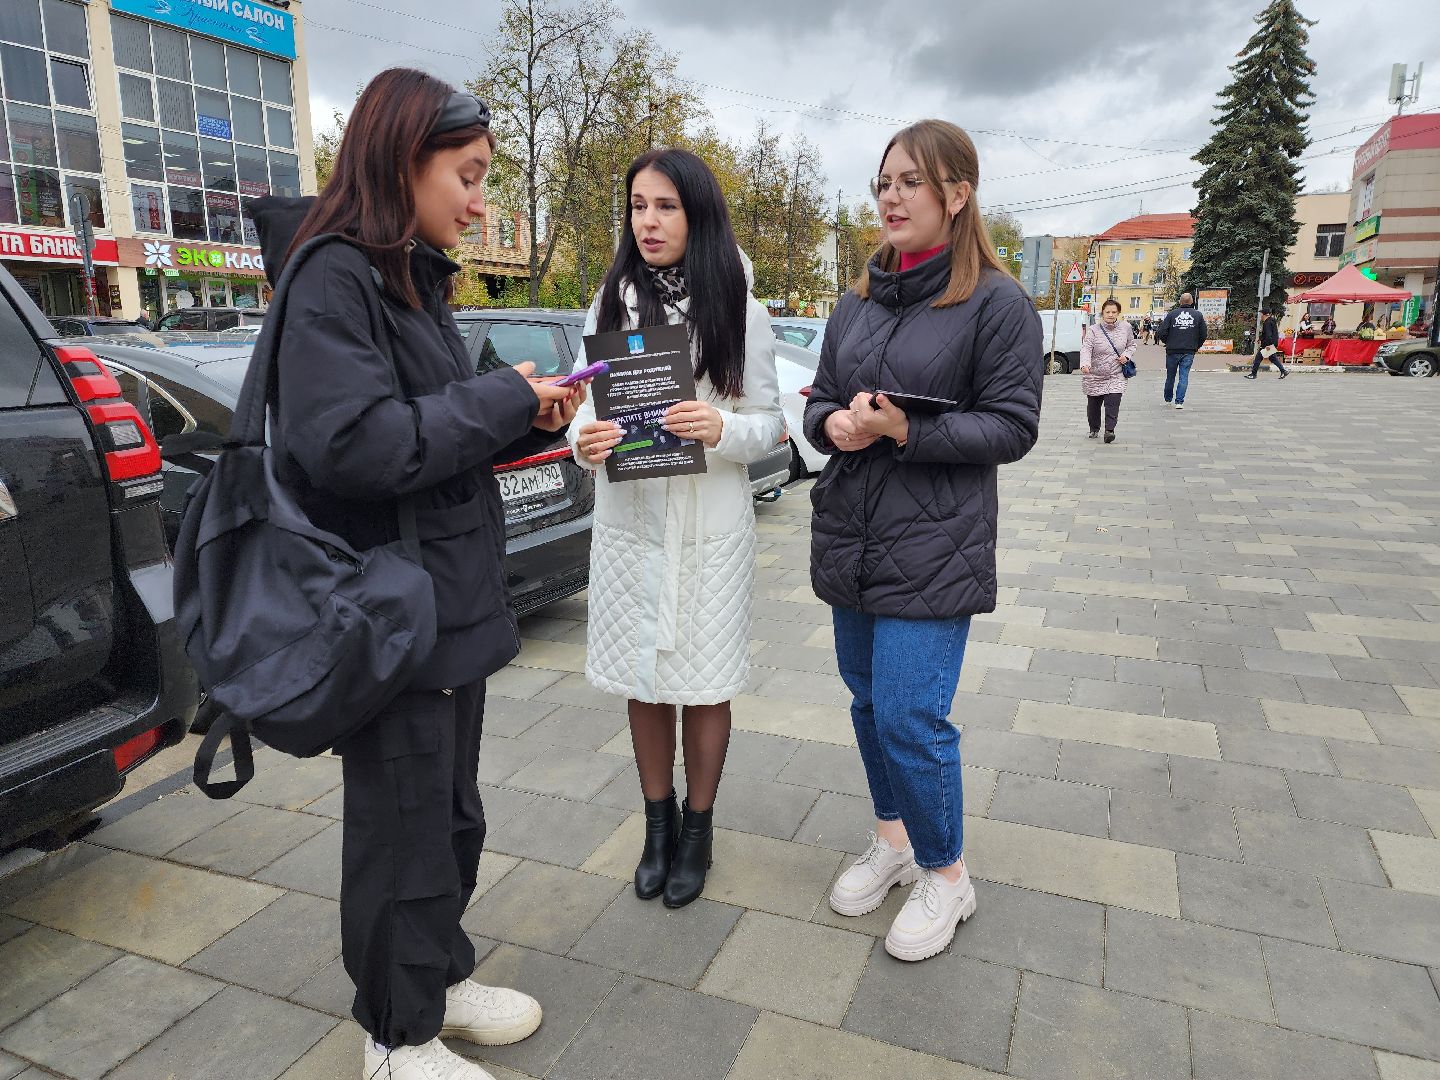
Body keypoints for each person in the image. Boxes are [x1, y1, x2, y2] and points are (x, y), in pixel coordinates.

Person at [251, 69, 583, 1080]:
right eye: (470, 175)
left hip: (446, 603)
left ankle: (433, 981)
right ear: (404, 159)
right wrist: (495, 401)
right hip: (392, 615)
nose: (480, 200)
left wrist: (523, 416)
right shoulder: (334, 275)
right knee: (401, 827)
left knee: (447, 816)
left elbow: (425, 442)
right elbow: (351, 443)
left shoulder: (404, 273)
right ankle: (394, 1041)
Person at [805, 119, 1042, 962]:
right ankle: (894, 843)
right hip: (853, 536)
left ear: (957, 193)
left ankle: (948, 873)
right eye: (883, 183)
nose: (892, 197)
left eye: (910, 181)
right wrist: (834, 421)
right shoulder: (856, 302)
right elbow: (819, 403)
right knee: (869, 703)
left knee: (911, 713)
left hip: (936, 545)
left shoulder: (999, 303)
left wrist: (906, 430)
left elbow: (1014, 427)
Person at [569, 148, 783, 910]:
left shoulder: (741, 307)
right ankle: (656, 826)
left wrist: (718, 426)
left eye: (665, 205)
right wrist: (583, 442)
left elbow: (771, 428)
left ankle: (699, 827)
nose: (648, 221)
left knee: (705, 682)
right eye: (637, 206)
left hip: (709, 532)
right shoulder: (611, 304)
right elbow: (583, 409)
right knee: (645, 681)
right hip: (632, 526)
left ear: (697, 213)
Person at [1080, 298, 1133, 441]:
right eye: (1107, 312)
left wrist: (1126, 356)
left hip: (1116, 374)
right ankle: (1094, 428)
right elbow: (1086, 348)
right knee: (1093, 406)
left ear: (1118, 313)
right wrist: (1085, 364)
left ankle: (1109, 430)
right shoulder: (1093, 330)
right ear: (1102, 313)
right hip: (1095, 374)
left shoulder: (1126, 328)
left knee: (1113, 402)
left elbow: (1131, 345)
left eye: (1114, 312)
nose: (1111, 314)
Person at [1155, 291, 1207, 409]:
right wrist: (1196, 346)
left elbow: (1161, 332)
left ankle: (1168, 399)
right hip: (1189, 351)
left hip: (1172, 350)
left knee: (1170, 376)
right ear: (1192, 301)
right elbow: (1203, 334)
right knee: (1184, 376)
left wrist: (1168, 342)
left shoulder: (1172, 314)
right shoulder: (1198, 315)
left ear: (1180, 301)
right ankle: (1179, 402)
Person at [1246, 308, 1289, 379]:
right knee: (1273, 358)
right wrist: (1261, 338)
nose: (1260, 316)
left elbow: (1268, 335)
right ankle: (1283, 371)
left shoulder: (1267, 322)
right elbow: (1269, 334)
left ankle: (1253, 374)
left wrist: (1268, 345)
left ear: (1264, 314)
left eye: (1261, 314)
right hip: (1272, 343)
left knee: (1258, 358)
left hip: (1268, 344)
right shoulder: (1271, 321)